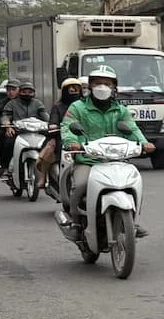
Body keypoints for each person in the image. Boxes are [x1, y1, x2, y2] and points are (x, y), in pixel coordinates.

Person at [59, 70, 152, 231]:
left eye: (107, 84)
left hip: (116, 160)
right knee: (81, 185)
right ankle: (75, 222)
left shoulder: (120, 110)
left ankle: (132, 222)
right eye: (97, 83)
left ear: (114, 87)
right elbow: (67, 127)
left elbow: (132, 128)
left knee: (134, 184)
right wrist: (72, 142)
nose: (102, 87)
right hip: (88, 160)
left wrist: (144, 143)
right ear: (90, 86)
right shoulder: (78, 107)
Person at [39, 76, 87, 187]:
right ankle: (43, 177)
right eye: (71, 88)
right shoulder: (58, 106)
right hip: (60, 135)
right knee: (49, 149)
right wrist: (53, 126)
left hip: (83, 135)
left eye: (76, 88)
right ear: (65, 91)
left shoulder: (85, 105)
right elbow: (53, 121)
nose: (74, 91)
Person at [0, 81, 46, 172]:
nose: (27, 94)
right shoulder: (12, 103)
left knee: (50, 142)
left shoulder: (38, 103)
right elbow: (5, 115)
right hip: (18, 131)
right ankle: (6, 167)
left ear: (34, 93)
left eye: (30, 92)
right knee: (8, 142)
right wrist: (8, 126)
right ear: (19, 92)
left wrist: (52, 124)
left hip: (36, 132)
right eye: (24, 92)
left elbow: (45, 116)